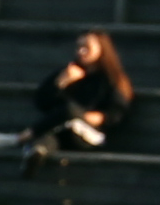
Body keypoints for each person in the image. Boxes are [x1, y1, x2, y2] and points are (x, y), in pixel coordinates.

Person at [21, 29, 131, 167]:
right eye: (79, 47)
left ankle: (22, 137)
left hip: (90, 133)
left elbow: (116, 113)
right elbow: (41, 102)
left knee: (69, 110)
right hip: (62, 127)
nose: (81, 51)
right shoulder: (71, 72)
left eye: (87, 48)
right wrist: (61, 82)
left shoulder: (112, 78)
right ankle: (36, 155)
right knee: (49, 137)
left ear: (102, 49)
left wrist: (87, 116)